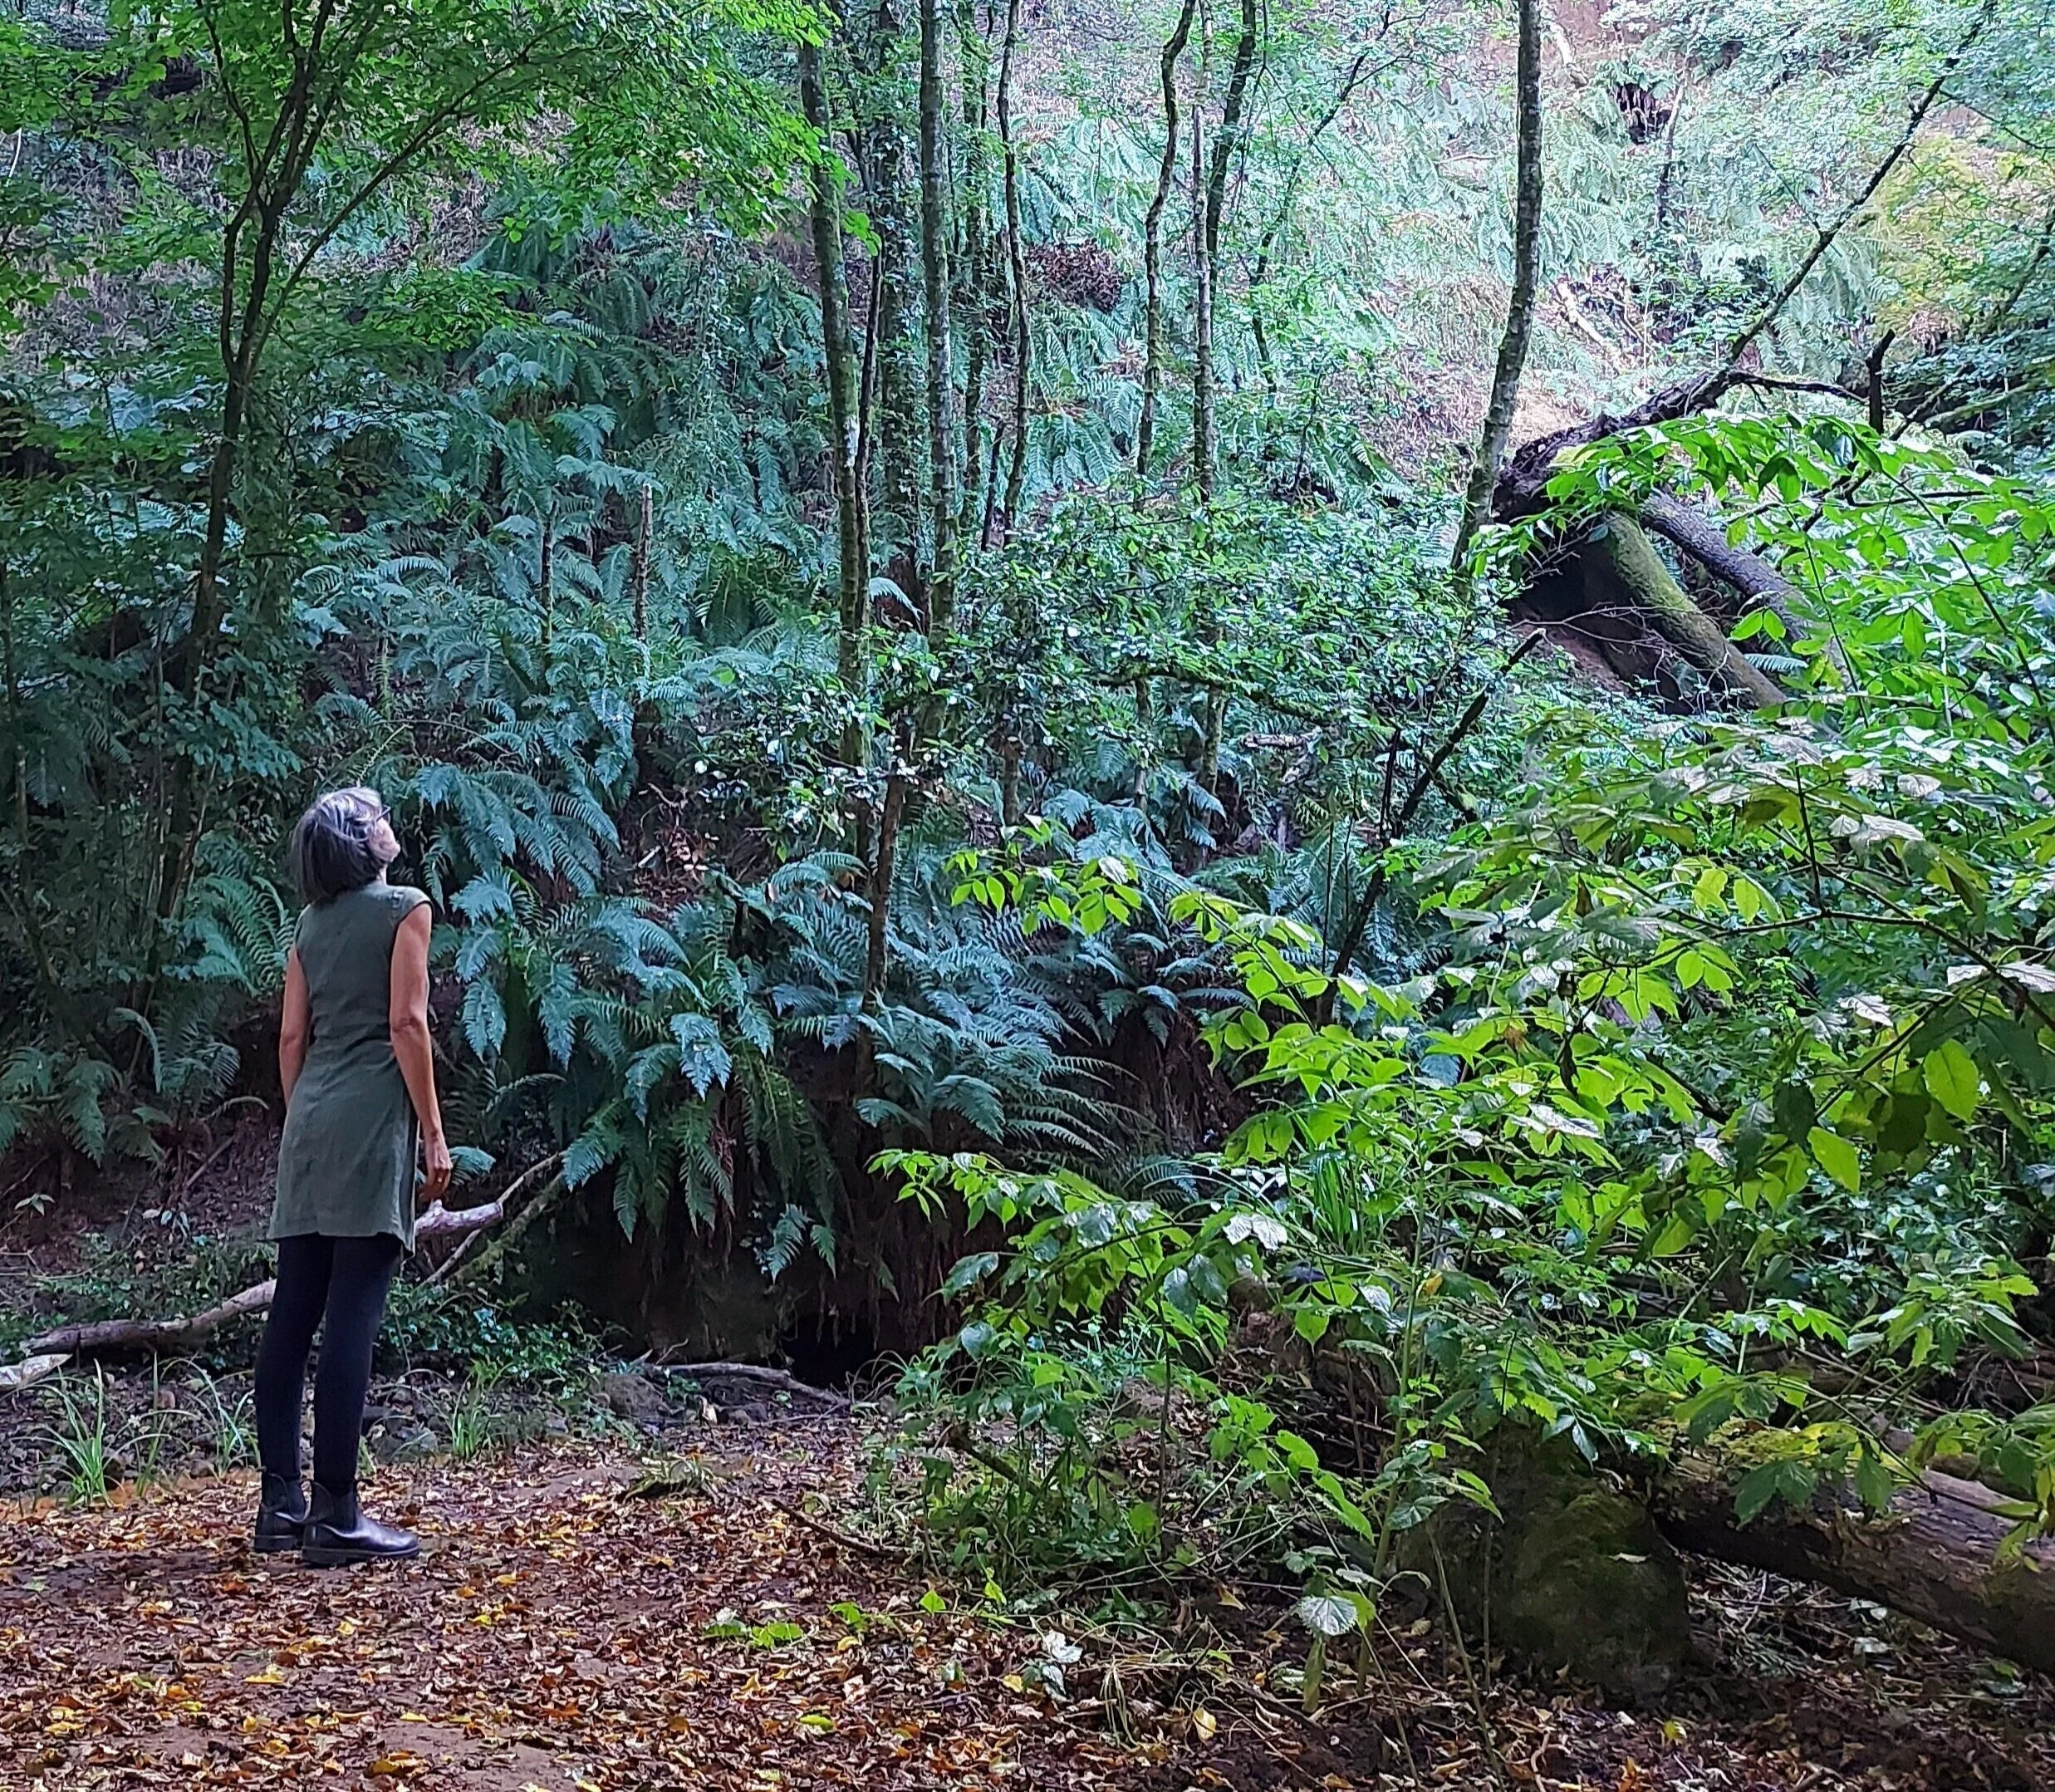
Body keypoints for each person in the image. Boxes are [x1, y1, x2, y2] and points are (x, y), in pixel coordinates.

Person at [252, 787, 451, 1565]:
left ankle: (279, 1506)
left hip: (310, 1124)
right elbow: (408, 1023)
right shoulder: (406, 908)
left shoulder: (310, 924)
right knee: (353, 1313)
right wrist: (433, 1132)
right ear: (360, 842)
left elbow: (292, 1034)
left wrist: (305, 1122)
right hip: (371, 1124)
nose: (386, 820)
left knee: (294, 1311)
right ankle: (337, 1513)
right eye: (375, 815)